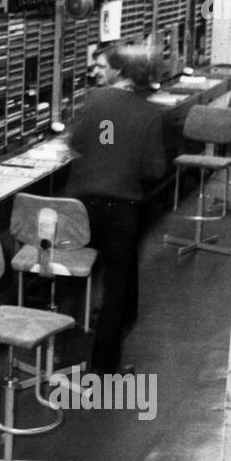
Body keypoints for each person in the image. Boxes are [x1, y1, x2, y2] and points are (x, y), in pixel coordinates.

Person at [66, 44, 165, 375]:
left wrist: (105, 149)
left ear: (120, 71)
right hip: (123, 209)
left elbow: (77, 142)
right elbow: (154, 170)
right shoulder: (150, 114)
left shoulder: (97, 100)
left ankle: (60, 346)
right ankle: (104, 367)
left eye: (103, 66)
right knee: (116, 286)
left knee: (72, 271)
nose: (97, 72)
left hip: (83, 206)